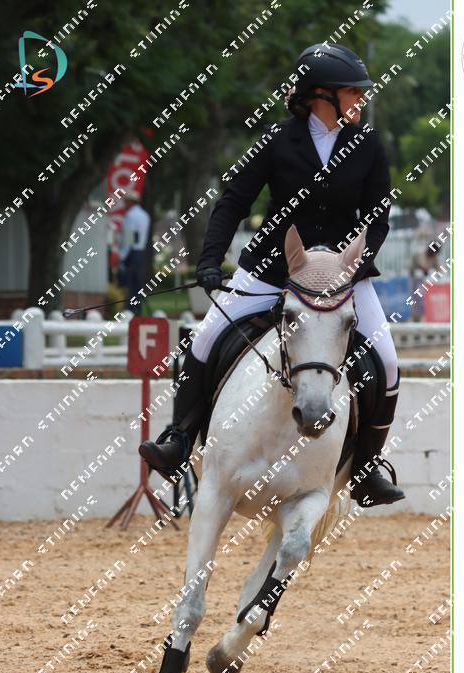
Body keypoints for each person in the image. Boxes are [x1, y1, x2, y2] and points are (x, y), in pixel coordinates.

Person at [139, 43, 405, 507]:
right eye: (352, 91)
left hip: (343, 276)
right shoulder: (278, 139)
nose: (361, 99)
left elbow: (377, 218)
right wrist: (210, 259)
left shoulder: (367, 143)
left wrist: (353, 266)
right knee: (204, 339)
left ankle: (366, 466)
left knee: (387, 361)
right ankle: (179, 439)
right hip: (272, 269)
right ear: (320, 95)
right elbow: (233, 201)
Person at [118, 188, 150, 313]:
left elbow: (129, 238)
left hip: (131, 252)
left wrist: (122, 256)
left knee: (130, 282)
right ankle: (138, 307)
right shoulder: (145, 215)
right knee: (137, 282)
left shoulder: (130, 216)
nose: (124, 204)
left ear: (130, 202)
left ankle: (130, 309)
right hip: (140, 252)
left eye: (126, 202)